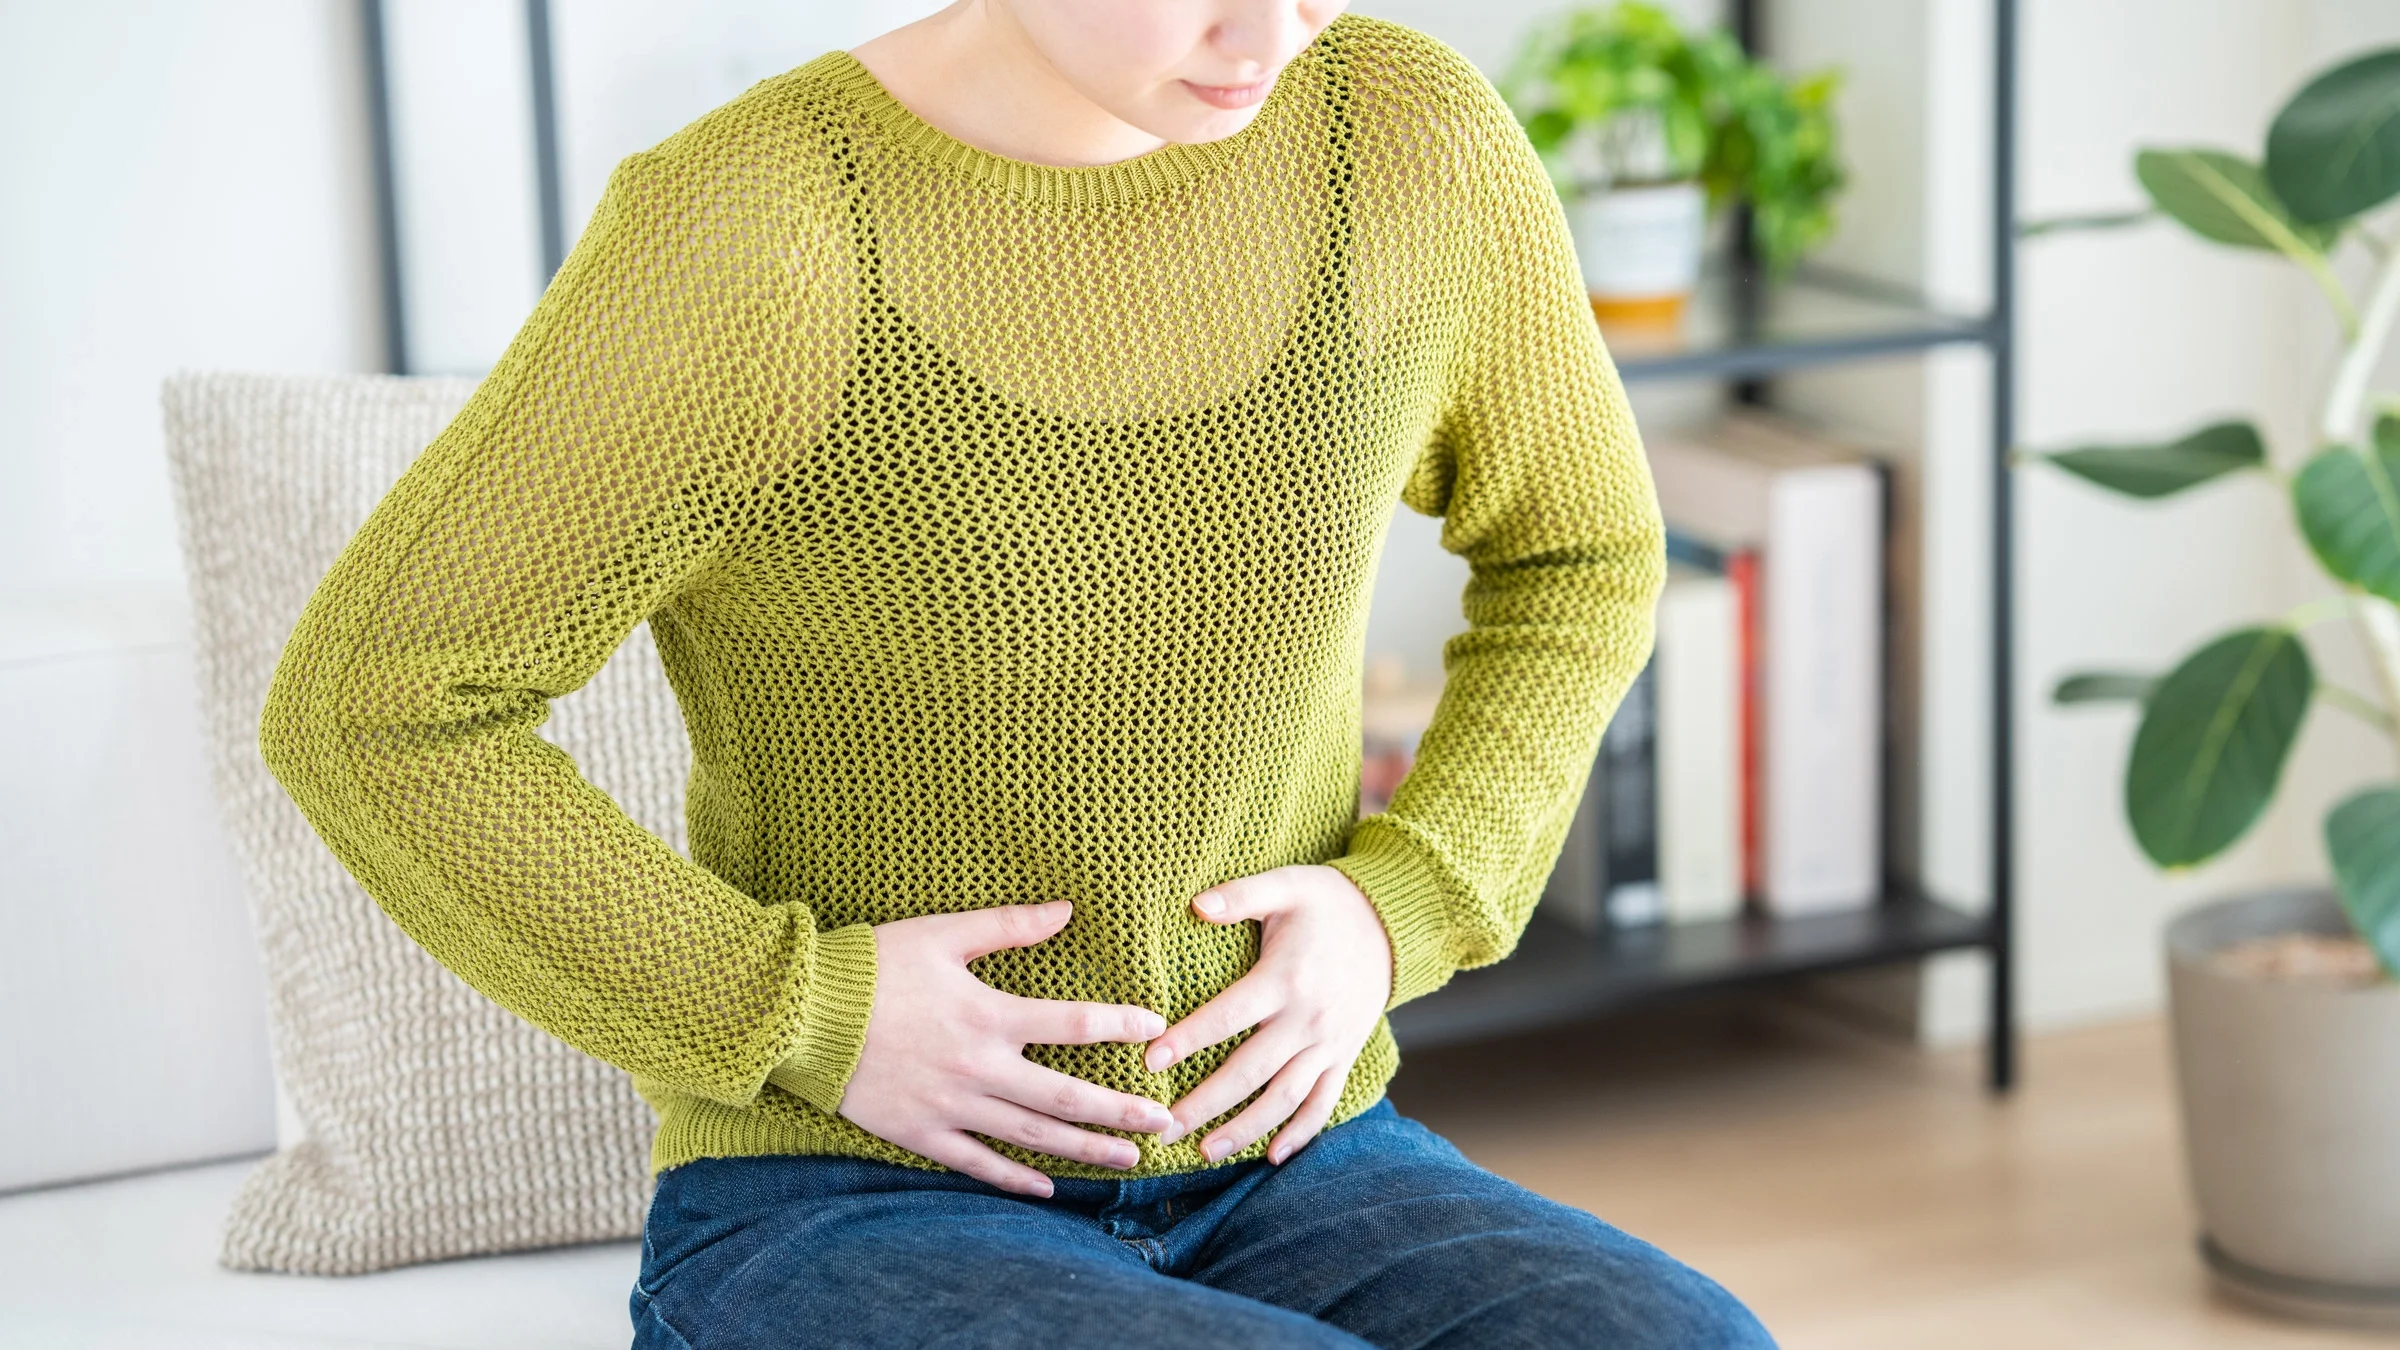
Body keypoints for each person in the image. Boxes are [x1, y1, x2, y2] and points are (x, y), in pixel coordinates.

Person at [258, 0, 1777, 1344]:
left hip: (1294, 1157)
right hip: (837, 1201)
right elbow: (377, 708)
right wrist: (802, 1011)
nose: (1266, 34)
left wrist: (1408, 904)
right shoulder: (757, 228)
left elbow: (1581, 557)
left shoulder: (1409, 144)